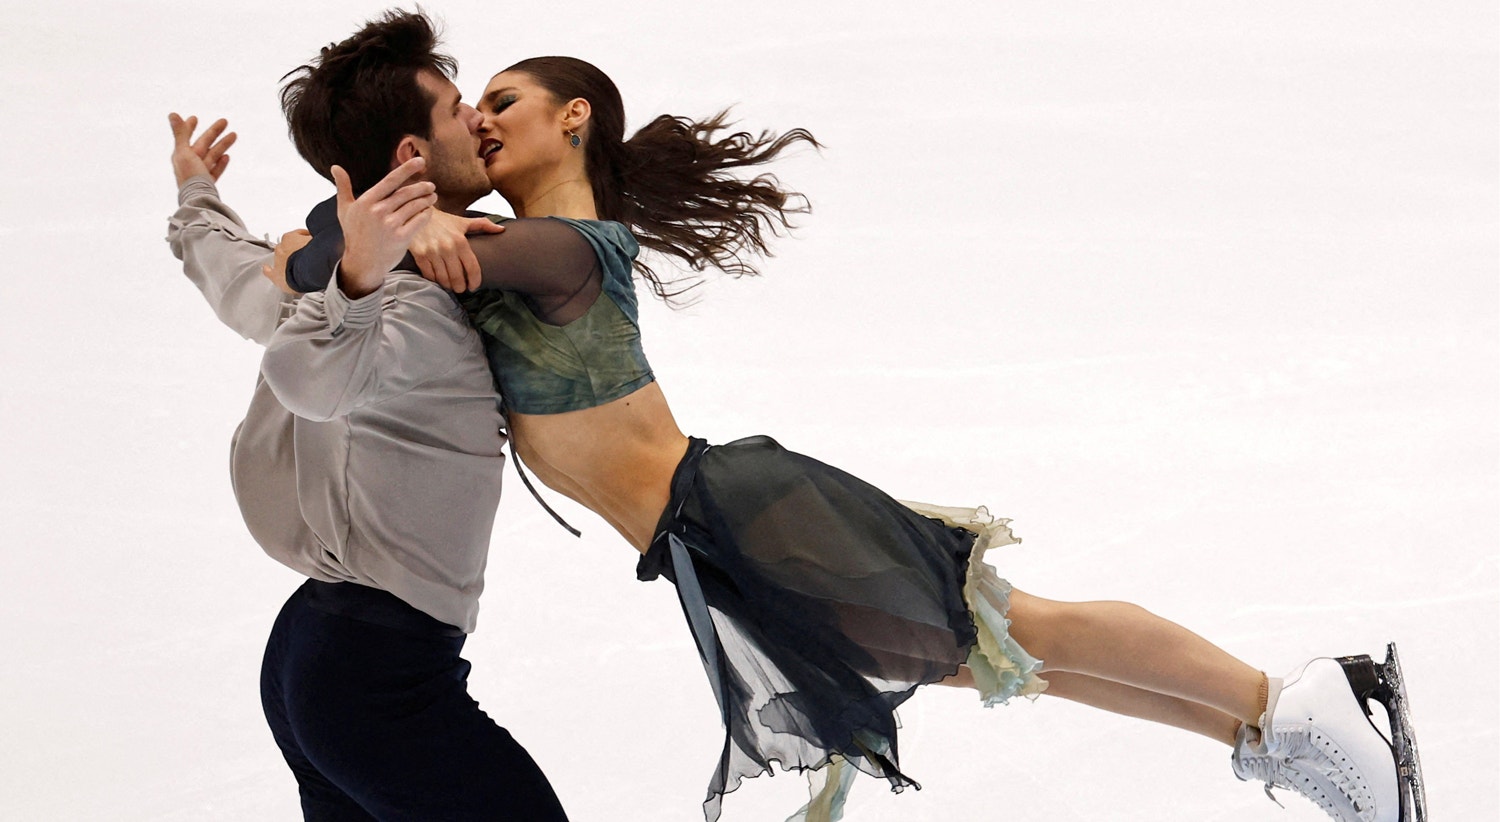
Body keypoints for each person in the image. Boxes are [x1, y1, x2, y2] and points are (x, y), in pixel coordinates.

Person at [285, 53, 1420, 822]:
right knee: (1003, 663)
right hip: (712, 543)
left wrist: (374, 221)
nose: (481, 119)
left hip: (738, 512)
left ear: (571, 118)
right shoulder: (505, 232)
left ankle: (1292, 702)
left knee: (1019, 629)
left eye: (504, 100)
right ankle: (1279, 727)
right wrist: (364, 227)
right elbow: (334, 255)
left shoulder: (576, 246)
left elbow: (403, 251)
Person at [163, 11, 570, 820]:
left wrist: (197, 191)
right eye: (458, 108)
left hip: (320, 657)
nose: (477, 120)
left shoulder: (320, 281)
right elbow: (309, 379)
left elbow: (227, 266)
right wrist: (353, 277)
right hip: (375, 681)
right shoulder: (400, 304)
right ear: (411, 155)